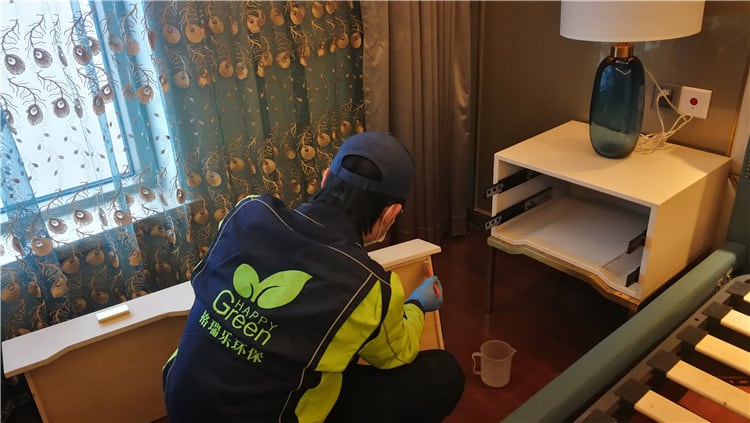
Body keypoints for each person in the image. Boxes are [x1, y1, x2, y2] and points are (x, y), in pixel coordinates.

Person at [162, 131, 465, 422]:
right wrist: (417, 305)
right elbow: (397, 355)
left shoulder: (247, 211)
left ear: (325, 177)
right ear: (390, 214)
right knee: (444, 373)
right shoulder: (368, 287)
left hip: (182, 399)